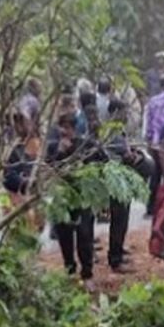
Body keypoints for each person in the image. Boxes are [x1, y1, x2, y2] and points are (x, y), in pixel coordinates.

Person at [48, 113, 108, 282]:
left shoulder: (85, 145)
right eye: (61, 127)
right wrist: (60, 152)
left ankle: (87, 274)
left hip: (83, 197)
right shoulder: (53, 147)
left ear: (73, 128)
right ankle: (70, 270)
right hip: (62, 198)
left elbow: (103, 162)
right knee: (65, 235)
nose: (64, 131)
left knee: (85, 235)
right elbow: (48, 168)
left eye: (67, 127)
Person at [106, 99, 135, 273]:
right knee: (118, 219)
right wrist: (133, 156)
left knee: (122, 219)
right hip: (117, 181)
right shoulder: (112, 132)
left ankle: (118, 250)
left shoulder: (119, 130)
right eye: (124, 112)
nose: (127, 115)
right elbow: (125, 155)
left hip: (122, 180)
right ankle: (115, 259)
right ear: (116, 113)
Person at [144, 74, 164, 215]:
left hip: (156, 143)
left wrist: (149, 141)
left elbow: (149, 123)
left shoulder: (153, 101)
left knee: (155, 176)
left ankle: (150, 208)